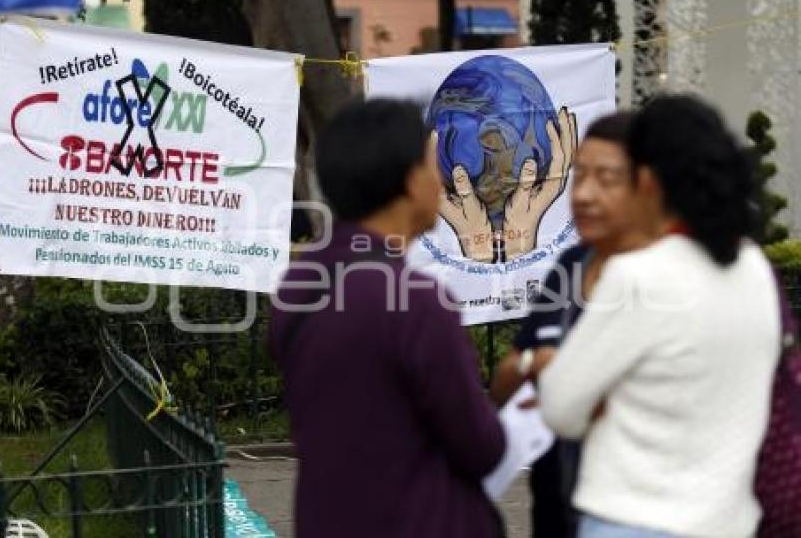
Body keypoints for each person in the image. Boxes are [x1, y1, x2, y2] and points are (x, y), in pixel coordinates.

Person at [536, 94, 780, 537]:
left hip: (634, 521)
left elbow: (560, 408)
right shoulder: (754, 268)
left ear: (647, 182)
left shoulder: (640, 276)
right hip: (728, 522)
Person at [269, 99, 506, 538]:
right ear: (413, 181)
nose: (442, 183)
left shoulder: (298, 283)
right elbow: (481, 446)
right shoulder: (415, 301)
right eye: (434, 165)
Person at [490, 111, 655, 538]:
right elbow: (506, 378)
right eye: (577, 176)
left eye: (605, 179)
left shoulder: (668, 277)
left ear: (646, 187)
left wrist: (577, 386)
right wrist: (533, 364)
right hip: (557, 507)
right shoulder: (570, 265)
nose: (583, 195)